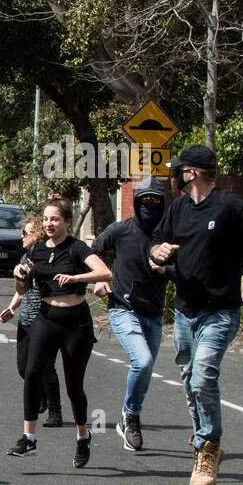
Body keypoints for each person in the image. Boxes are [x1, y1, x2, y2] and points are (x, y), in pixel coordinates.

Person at [149, 144, 243, 485]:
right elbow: (159, 240)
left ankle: (207, 446)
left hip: (220, 312)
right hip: (184, 312)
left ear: (190, 173)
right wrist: (157, 251)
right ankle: (204, 443)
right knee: (190, 380)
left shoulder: (230, 206)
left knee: (204, 376)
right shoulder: (178, 208)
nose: (175, 176)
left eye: (179, 170)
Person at [7, 197, 112, 466]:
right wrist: (20, 278)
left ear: (67, 221)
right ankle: (29, 437)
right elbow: (23, 289)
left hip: (75, 323)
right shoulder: (37, 250)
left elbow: (105, 273)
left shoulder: (77, 249)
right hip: (45, 318)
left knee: (74, 386)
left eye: (54, 219)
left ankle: (82, 436)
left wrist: (76, 278)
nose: (49, 223)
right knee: (31, 373)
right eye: (45, 219)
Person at [91, 177, 171, 451]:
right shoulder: (120, 230)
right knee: (143, 360)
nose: (149, 206)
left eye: (155, 201)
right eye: (144, 200)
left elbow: (185, 268)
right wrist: (99, 279)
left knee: (145, 369)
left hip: (154, 312)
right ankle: (132, 416)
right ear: (136, 202)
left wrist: (166, 269)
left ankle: (128, 416)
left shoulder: (167, 235)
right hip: (123, 308)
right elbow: (92, 251)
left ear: (163, 204)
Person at [0, 214, 64, 427]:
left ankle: (55, 411)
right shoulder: (25, 259)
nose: (21, 236)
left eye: (25, 232)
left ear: (37, 235)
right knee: (23, 367)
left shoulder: (47, 257)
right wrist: (11, 307)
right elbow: (23, 289)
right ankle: (42, 396)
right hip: (26, 317)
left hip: (45, 318)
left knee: (45, 366)